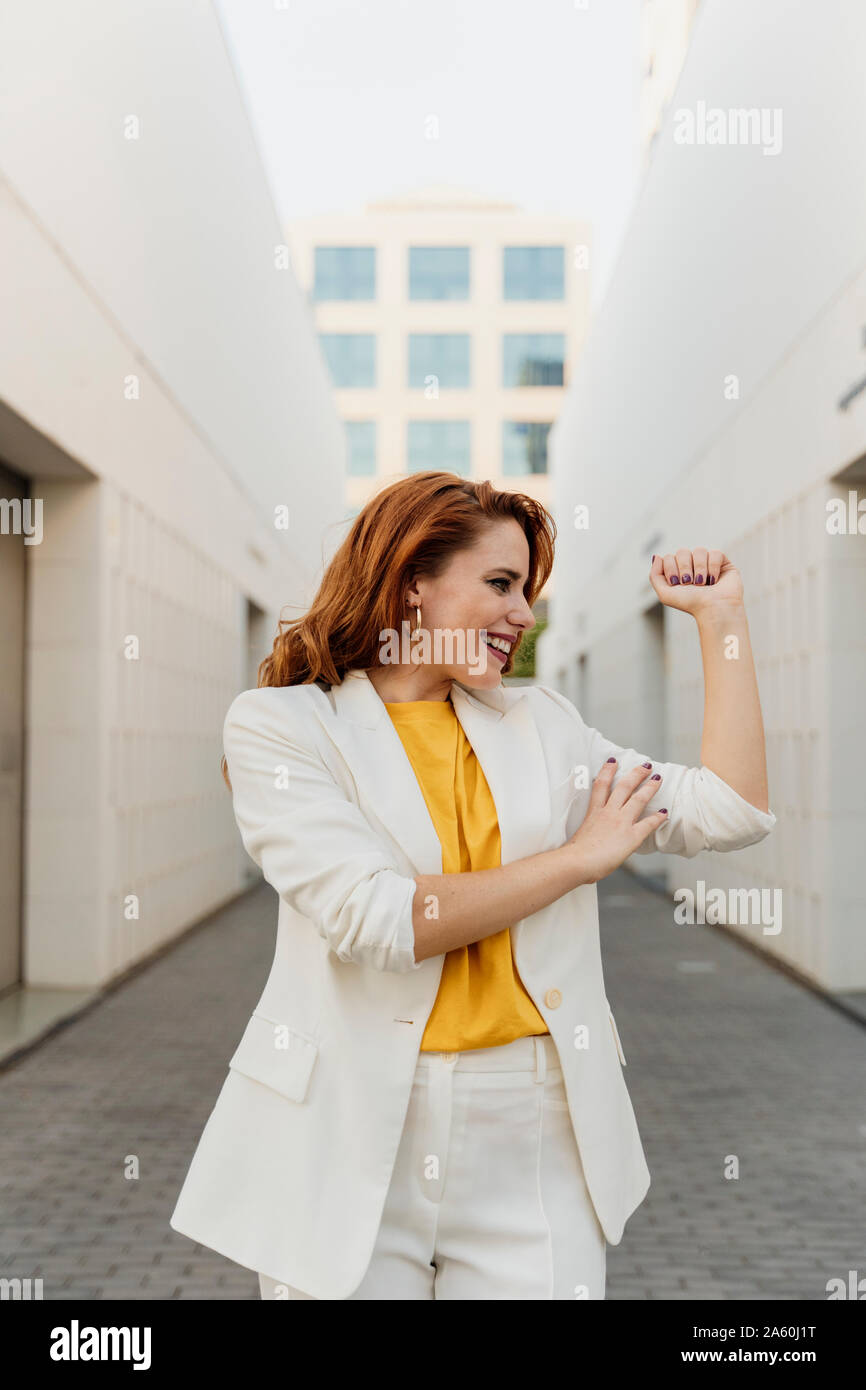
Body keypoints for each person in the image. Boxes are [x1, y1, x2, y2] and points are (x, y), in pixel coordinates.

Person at [169, 470, 776, 1300]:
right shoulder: (282, 726)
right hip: (349, 1132)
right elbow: (378, 919)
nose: (524, 615)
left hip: (532, 1129)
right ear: (411, 581)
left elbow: (728, 809)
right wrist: (575, 860)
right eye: (500, 584)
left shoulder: (543, 726)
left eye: (526, 591)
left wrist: (723, 622)